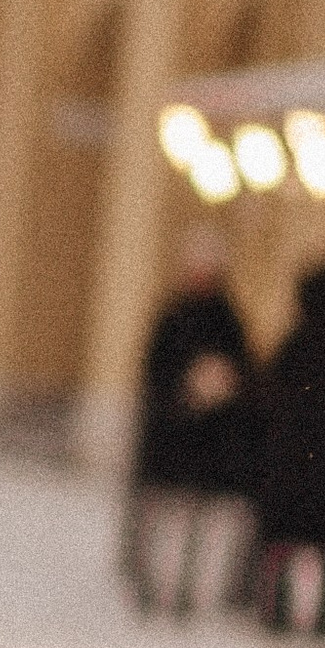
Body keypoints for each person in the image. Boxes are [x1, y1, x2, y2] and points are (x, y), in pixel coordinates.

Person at [124, 242, 255, 615]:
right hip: (170, 435)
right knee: (159, 515)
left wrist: (219, 388)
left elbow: (242, 371)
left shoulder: (228, 321)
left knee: (194, 523)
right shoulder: (173, 317)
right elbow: (154, 373)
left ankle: (181, 589)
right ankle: (150, 584)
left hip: (207, 440)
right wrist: (184, 394)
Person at [250, 251, 325, 635]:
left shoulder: (298, 345)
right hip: (324, 463)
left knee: (285, 542)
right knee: (319, 544)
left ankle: (278, 611)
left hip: (292, 462)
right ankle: (318, 615)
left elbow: (266, 396)